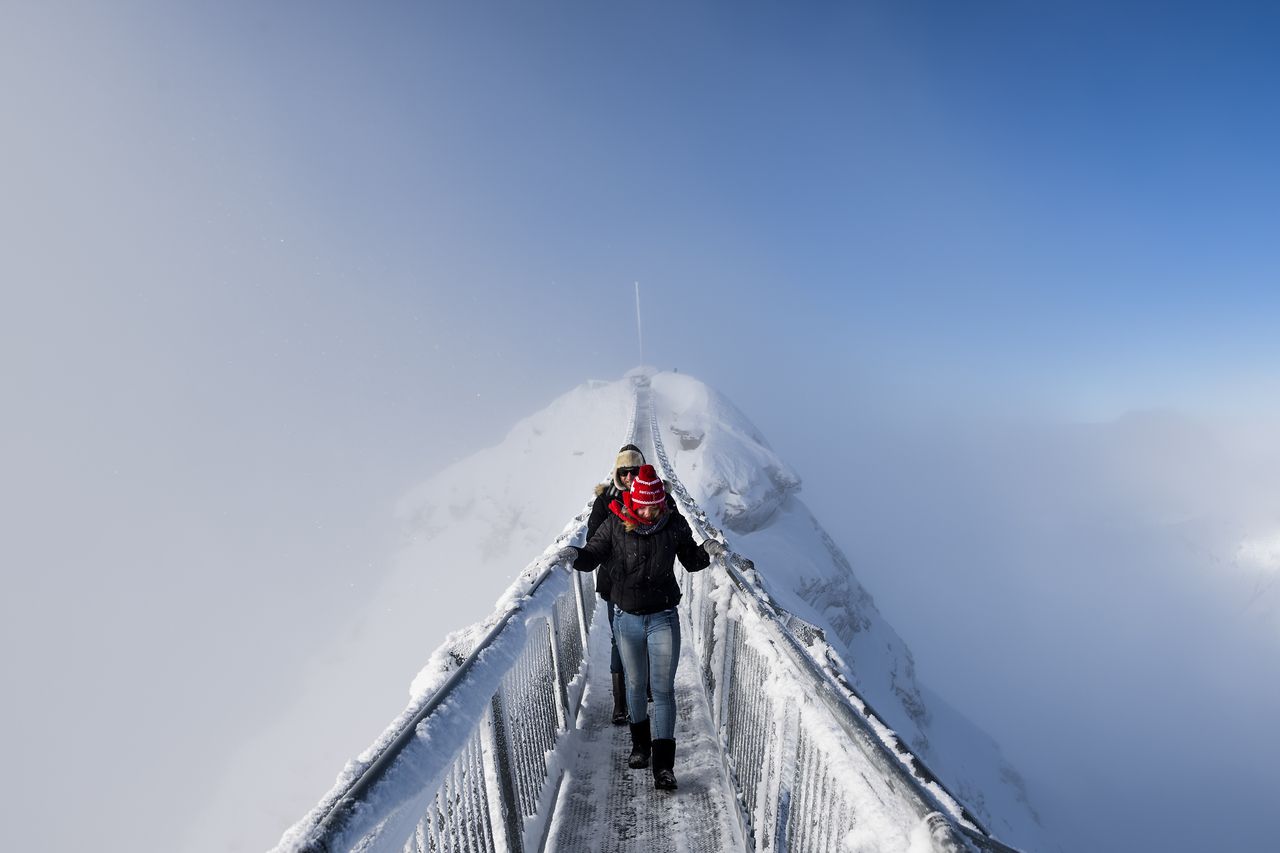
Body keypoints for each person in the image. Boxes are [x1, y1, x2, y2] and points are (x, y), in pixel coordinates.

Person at [560, 465, 725, 791]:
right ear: (634, 501)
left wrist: (708, 549)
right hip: (627, 618)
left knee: (662, 690)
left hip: (663, 616)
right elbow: (591, 555)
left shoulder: (672, 523)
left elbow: (691, 560)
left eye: (656, 503)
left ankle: (664, 768)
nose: (651, 510)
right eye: (646, 504)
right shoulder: (615, 524)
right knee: (636, 686)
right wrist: (570, 554)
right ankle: (640, 747)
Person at [580, 444, 646, 725]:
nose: (630, 477)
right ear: (617, 473)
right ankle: (620, 704)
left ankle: (640, 691)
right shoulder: (604, 501)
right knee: (620, 640)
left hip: (646, 581)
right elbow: (594, 540)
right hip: (615, 583)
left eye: (635, 470)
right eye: (624, 471)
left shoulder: (653, 495)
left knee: (644, 637)